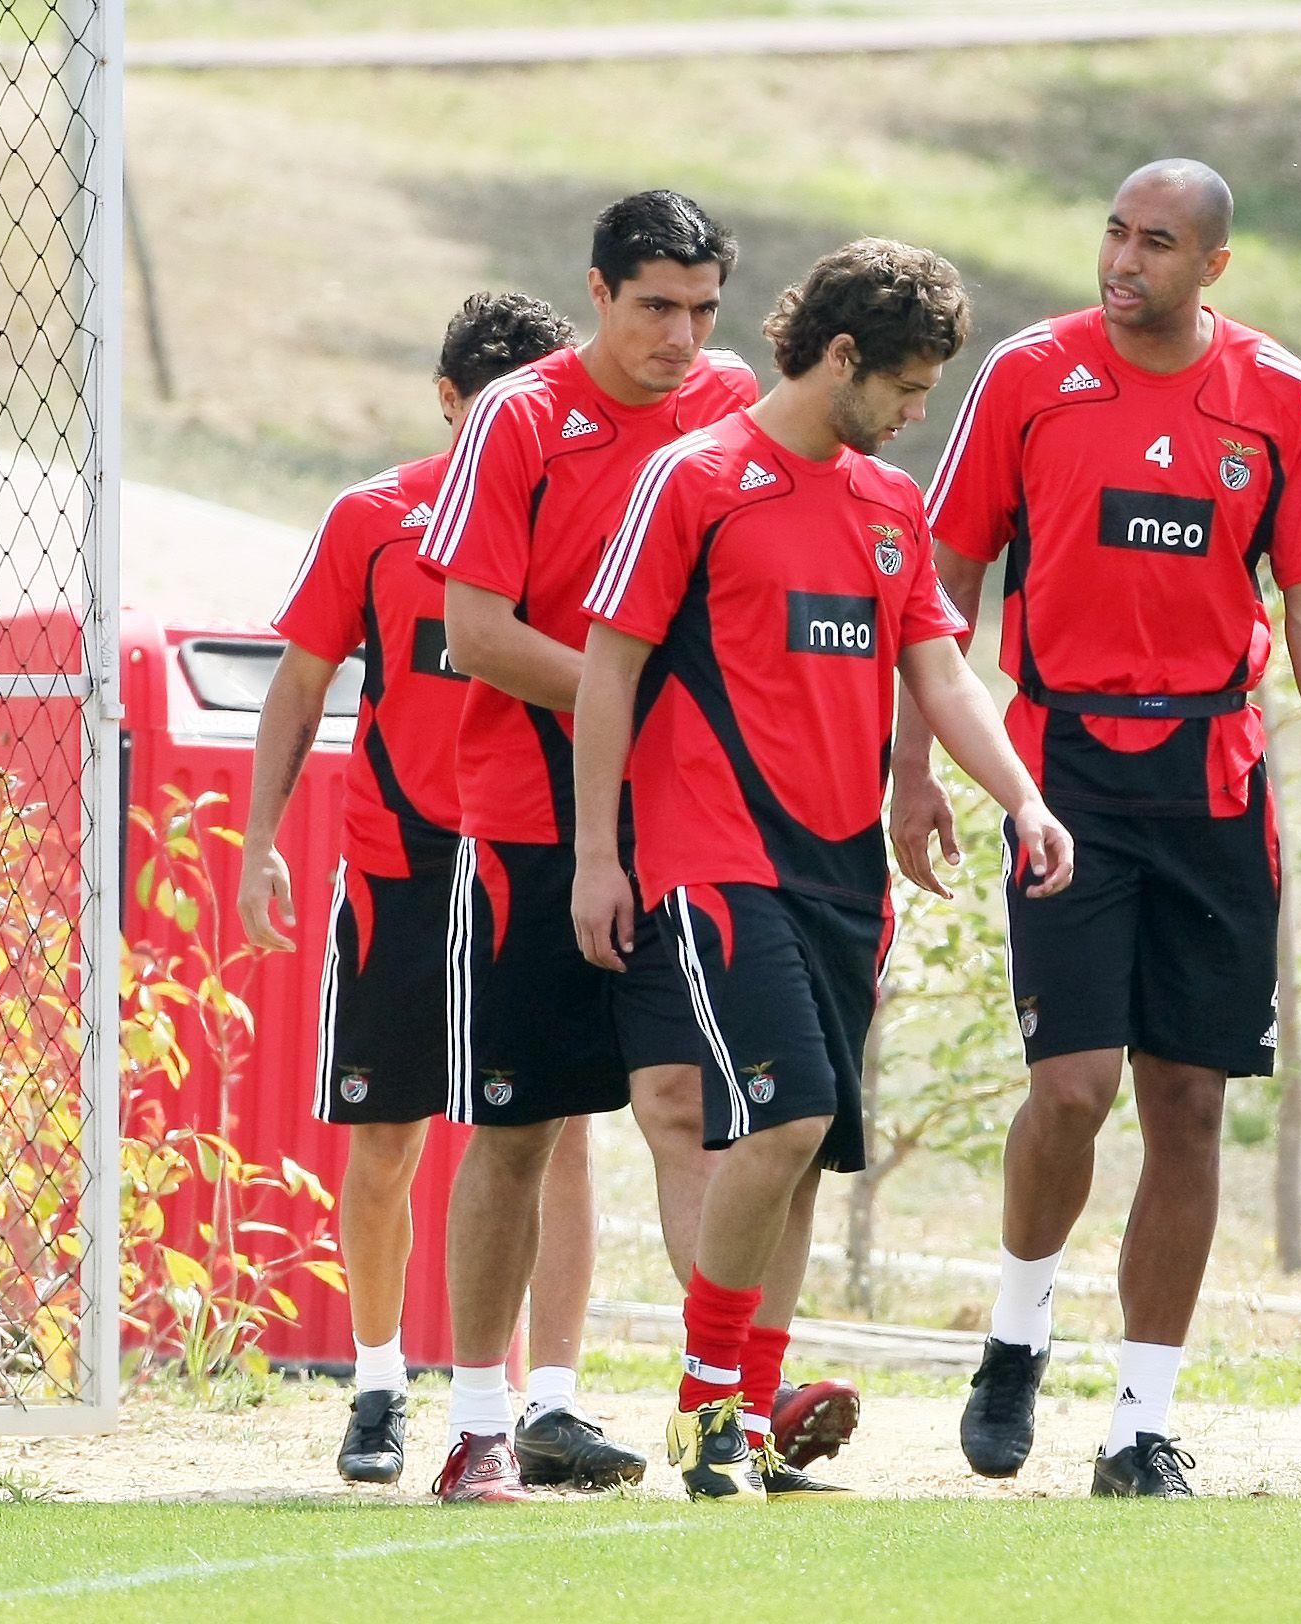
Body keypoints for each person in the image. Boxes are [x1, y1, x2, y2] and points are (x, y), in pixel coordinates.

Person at [891, 159, 1301, 1498]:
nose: (1122, 260)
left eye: (1155, 243)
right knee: (1073, 1089)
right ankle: (1015, 1329)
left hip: (1215, 783)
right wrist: (915, 769)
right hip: (1061, 778)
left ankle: (1136, 1425)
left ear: (1210, 266)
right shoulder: (1026, 376)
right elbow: (944, 581)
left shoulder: (1272, 393)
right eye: (1113, 232)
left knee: (1186, 1102)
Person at [571, 237, 1075, 1504]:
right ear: (840, 356)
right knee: (784, 1113)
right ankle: (702, 1414)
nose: (916, 416)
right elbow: (609, 669)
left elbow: (941, 674)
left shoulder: (886, 506)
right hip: (713, 857)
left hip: (846, 874)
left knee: (795, 1149)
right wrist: (595, 856)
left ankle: (751, 1423)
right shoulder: (699, 478)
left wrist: (1020, 797)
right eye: (906, 388)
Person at [419, 191, 863, 1503]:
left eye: (703, 309)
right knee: (517, 1131)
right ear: (600, 293)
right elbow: (479, 633)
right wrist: (641, 696)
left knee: (690, 1109)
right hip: (530, 827)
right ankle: (481, 1424)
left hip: (677, 836)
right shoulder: (518, 417)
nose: (682, 336)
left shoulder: (729, 401)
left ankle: (730, 1404)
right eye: (656, 307)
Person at [239, 292, 646, 1491]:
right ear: (448, 400)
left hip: (524, 851)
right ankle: (376, 1388)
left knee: (552, 1129)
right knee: (386, 1133)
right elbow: (299, 689)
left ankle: (550, 1406)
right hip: (401, 865)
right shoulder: (374, 516)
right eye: (487, 408)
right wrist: (262, 838)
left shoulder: (586, 505)